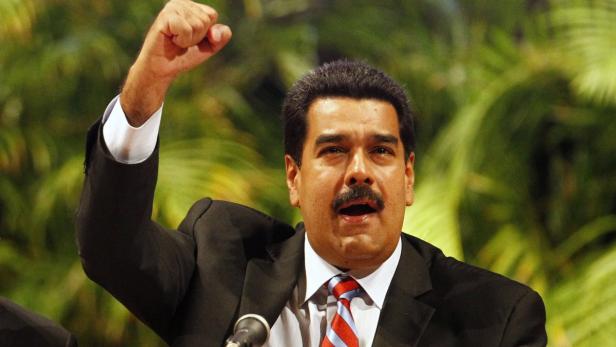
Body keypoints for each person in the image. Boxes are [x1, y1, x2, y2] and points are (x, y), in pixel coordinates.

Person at [76, 1, 547, 346]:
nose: (359, 172)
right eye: (334, 150)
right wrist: (147, 87)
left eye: (380, 151)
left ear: (408, 178)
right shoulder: (220, 260)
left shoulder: (494, 317)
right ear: (293, 178)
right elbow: (111, 248)